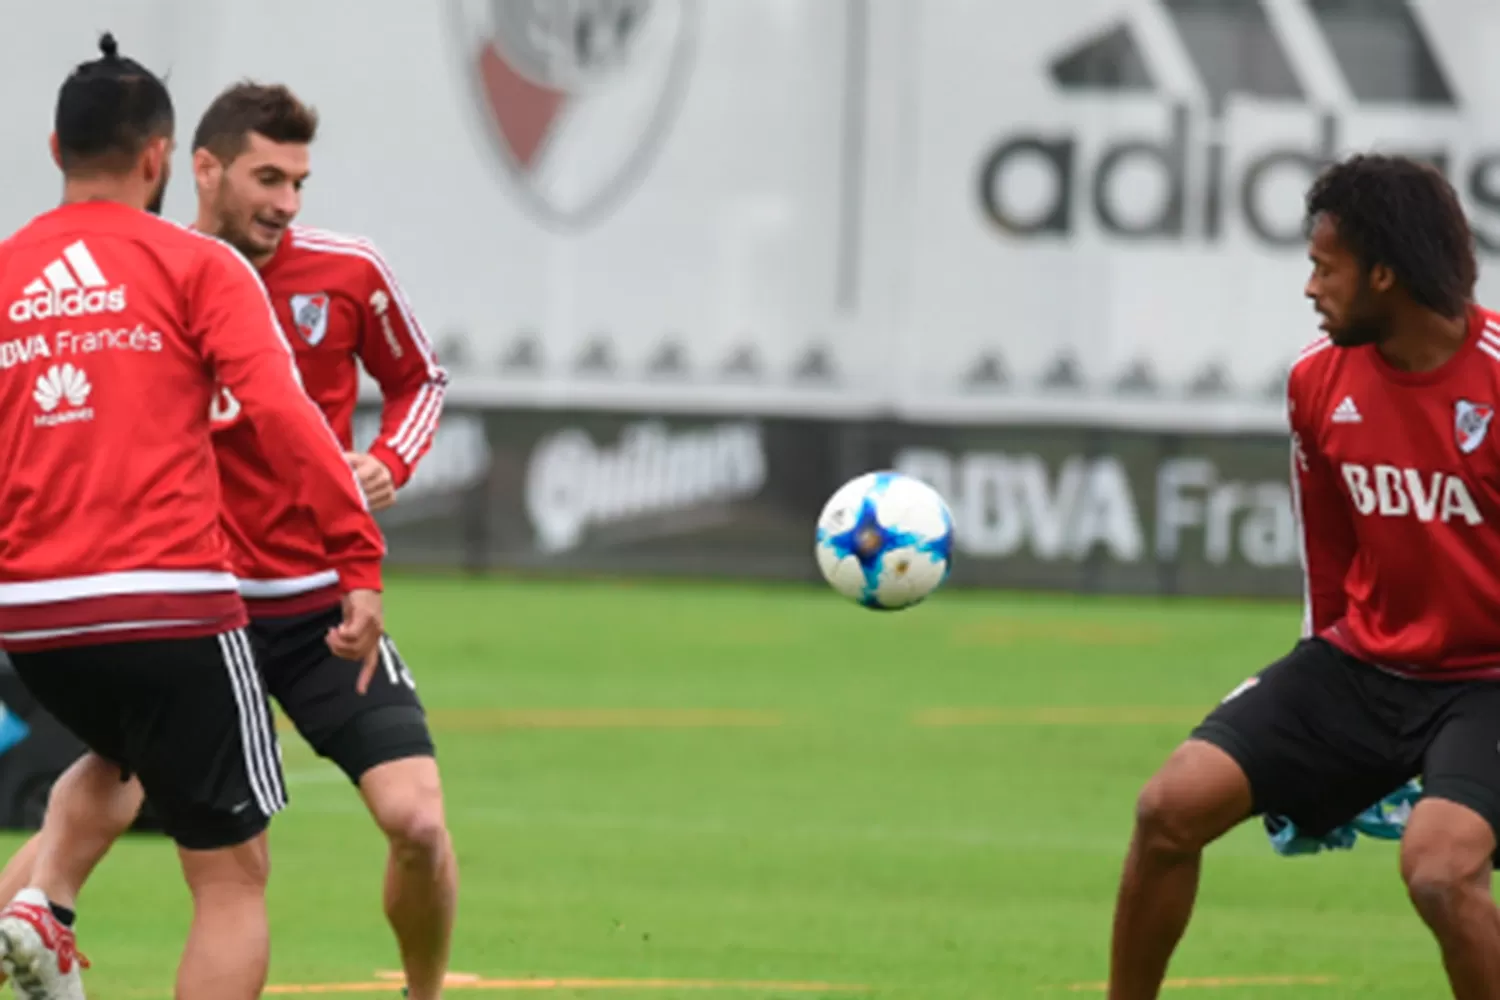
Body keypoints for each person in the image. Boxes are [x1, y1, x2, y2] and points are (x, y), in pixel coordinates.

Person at [0, 81, 456, 1000]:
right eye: (267, 178)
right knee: (227, 868)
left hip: (288, 604)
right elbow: (283, 416)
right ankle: (40, 910)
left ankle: (423, 991)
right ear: (185, 165)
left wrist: (384, 468)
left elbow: (420, 381)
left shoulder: (345, 271)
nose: (286, 202)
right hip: (193, 605)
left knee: (415, 821)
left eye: (299, 182)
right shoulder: (182, 271)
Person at [1108, 153, 1500, 1000]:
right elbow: (1329, 555)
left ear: (1386, 275)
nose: (1310, 288)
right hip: (1360, 667)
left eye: (1326, 267)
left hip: (1489, 682)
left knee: (1439, 870)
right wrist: (1317, 722)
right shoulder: (1316, 378)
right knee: (1168, 810)